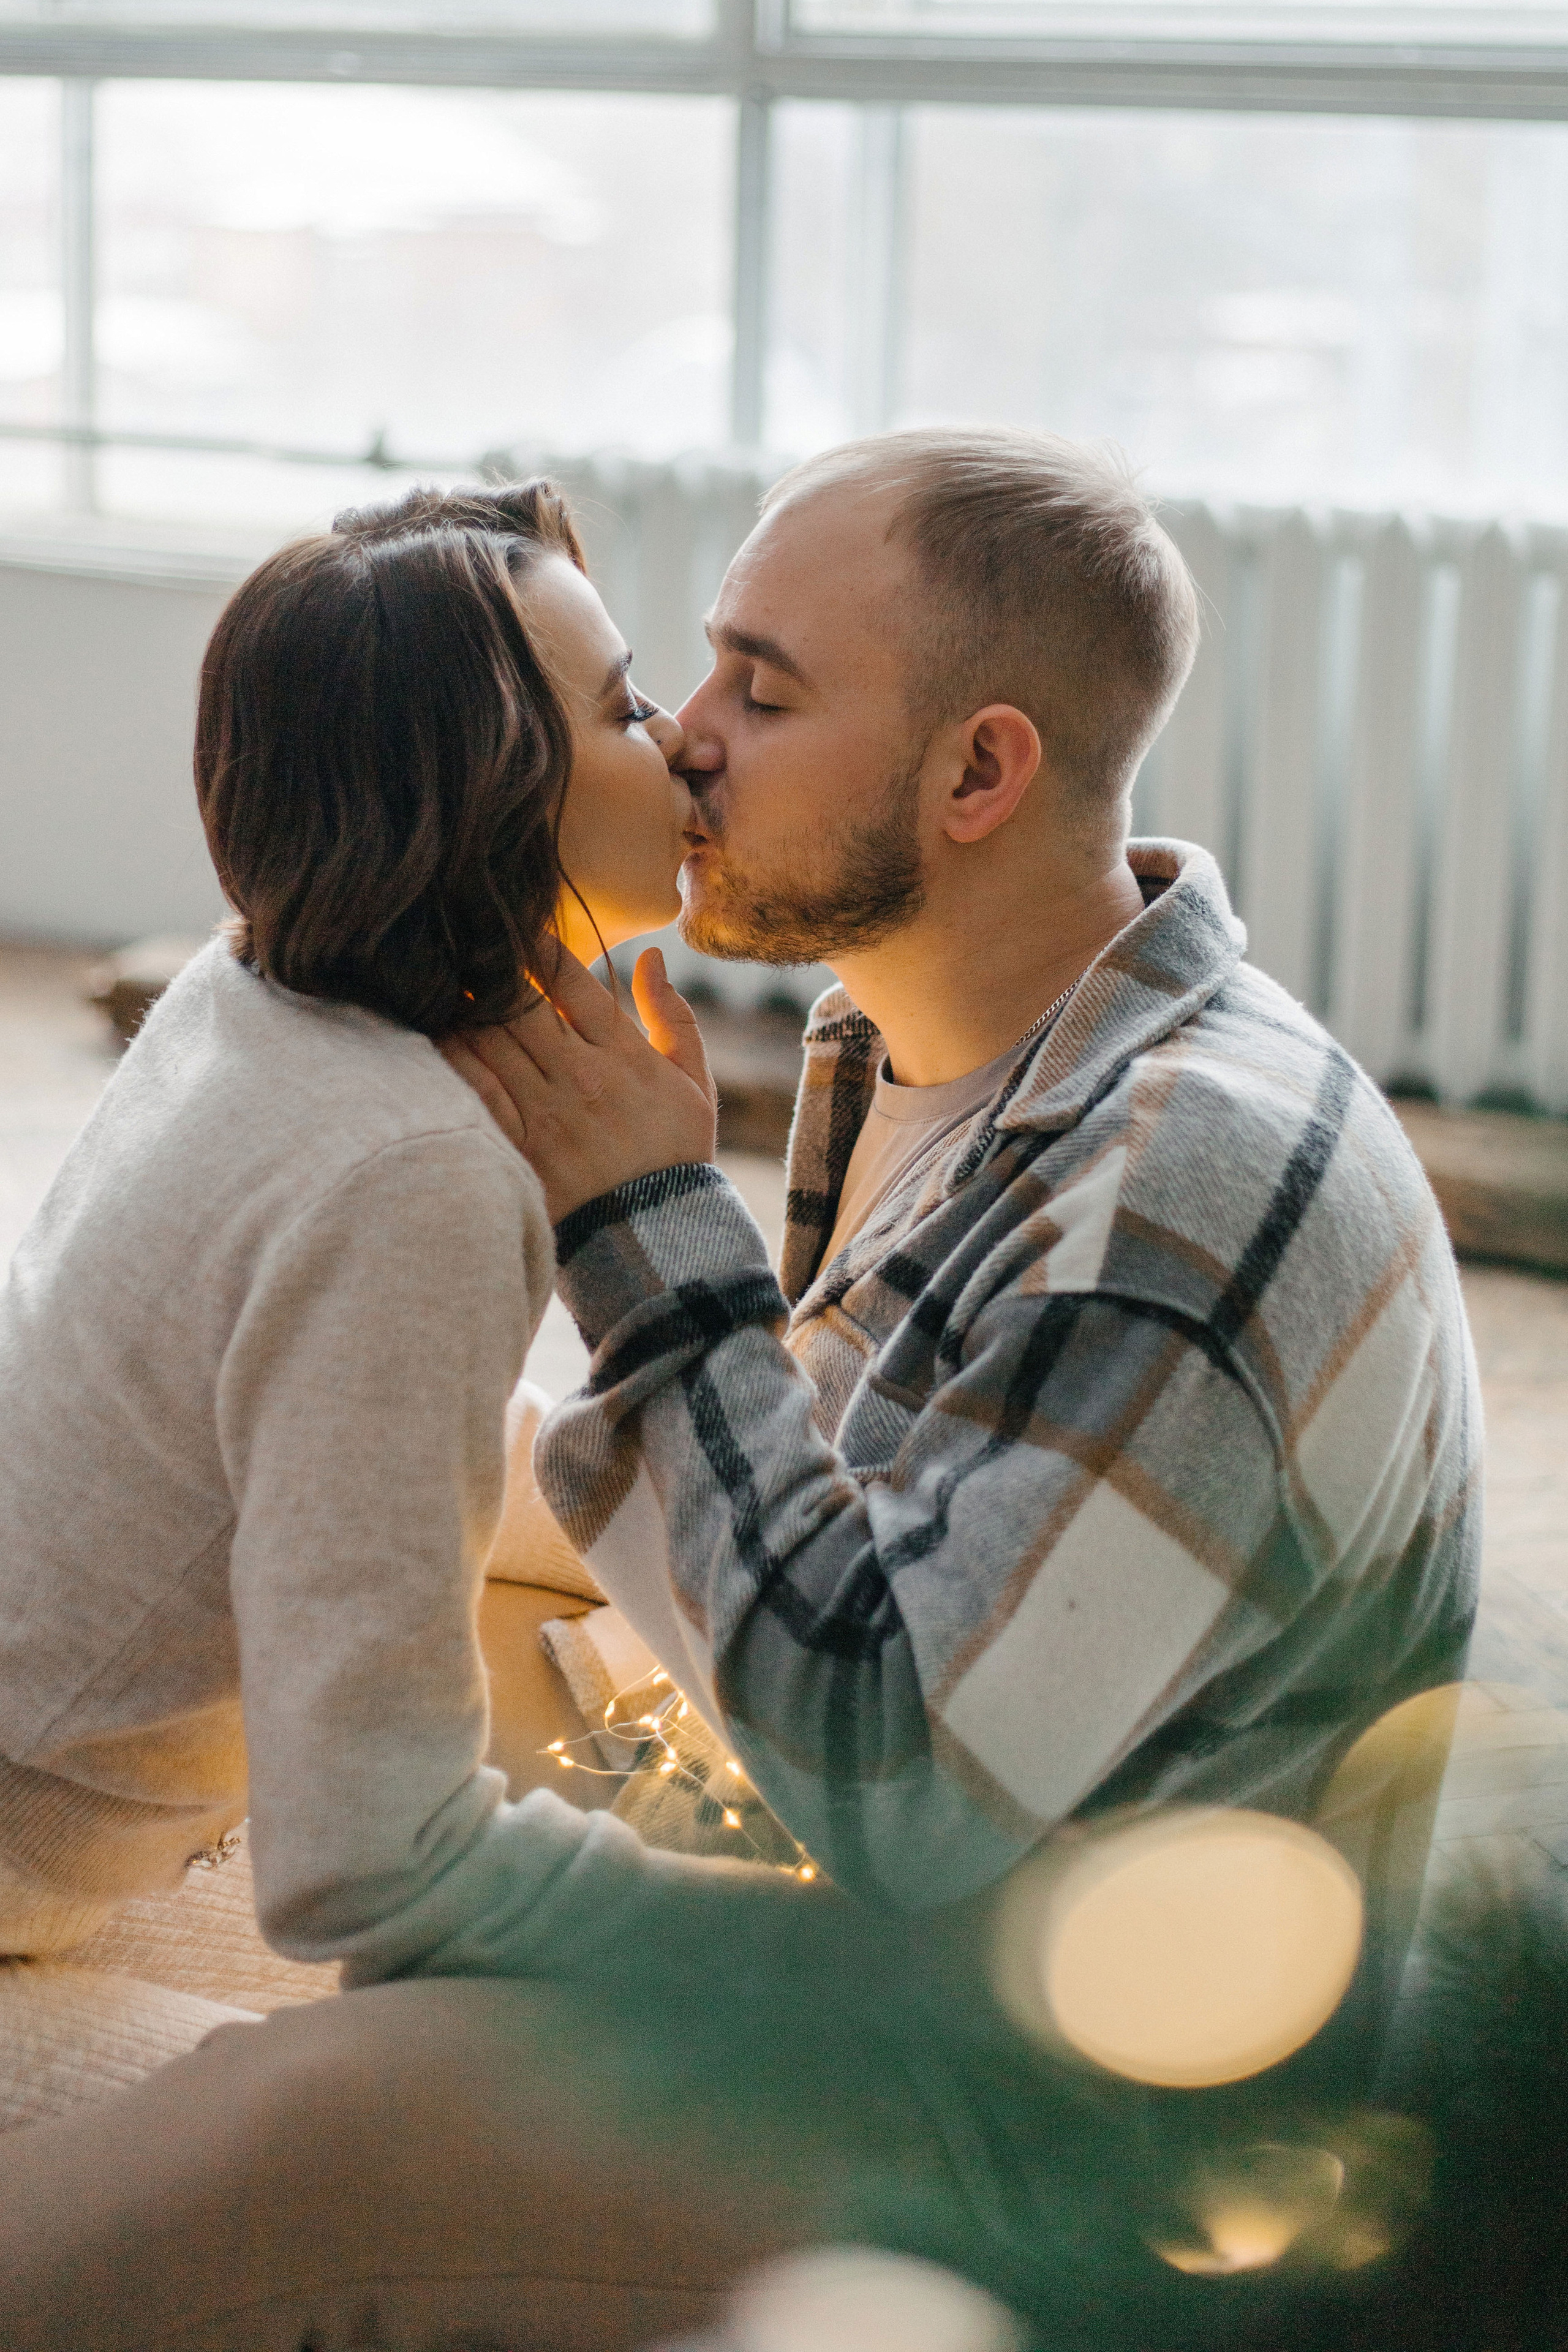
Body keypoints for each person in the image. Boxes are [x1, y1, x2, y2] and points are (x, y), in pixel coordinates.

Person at [466, 428, 1482, 1915]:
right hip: (893, 1883)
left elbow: (891, 1785)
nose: (684, 734)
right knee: (332, 1614)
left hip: (1042, 2090)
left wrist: (641, 1233)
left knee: (286, 2082)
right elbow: (819, 1499)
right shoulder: (914, 1041)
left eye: (762, 690)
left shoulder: (1180, 1184)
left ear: (978, 771)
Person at [0, 480, 846, 2124]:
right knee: (513, 2159)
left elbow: (333, 1433)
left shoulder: (251, 982)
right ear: (489, 795)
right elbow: (374, 1873)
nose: (678, 743)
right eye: (619, 709)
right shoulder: (407, 1172)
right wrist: (831, 1960)